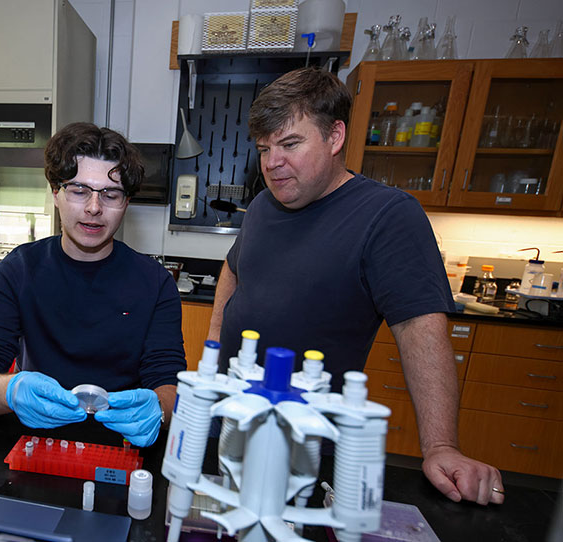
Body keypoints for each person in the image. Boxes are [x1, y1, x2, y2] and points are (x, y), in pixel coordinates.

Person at [206, 68, 505, 506]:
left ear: (335, 136)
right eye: (264, 148)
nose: (272, 162)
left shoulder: (387, 215)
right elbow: (233, 270)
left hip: (308, 440)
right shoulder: (264, 204)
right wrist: (214, 342)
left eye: (290, 144)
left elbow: (420, 329)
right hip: (231, 417)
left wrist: (441, 446)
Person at [0, 122, 185, 447]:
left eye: (111, 194)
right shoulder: (17, 271)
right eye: (79, 190)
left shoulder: (156, 283)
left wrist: (160, 410)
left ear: (126, 202)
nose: (94, 207)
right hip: (38, 446)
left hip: (124, 447)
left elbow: (169, 386)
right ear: (55, 193)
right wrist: (10, 390)